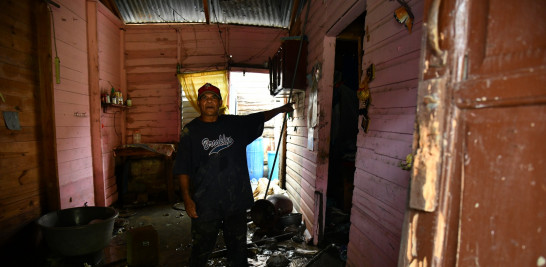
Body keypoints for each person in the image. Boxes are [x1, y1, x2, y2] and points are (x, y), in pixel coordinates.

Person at [173, 83, 294, 266]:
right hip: (205, 203)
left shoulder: (234, 125)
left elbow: (259, 117)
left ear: (220, 102)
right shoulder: (190, 132)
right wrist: (187, 199)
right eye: (205, 98)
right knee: (200, 251)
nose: (209, 101)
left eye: (213, 98)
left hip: (235, 202)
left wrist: (282, 109)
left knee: (238, 251)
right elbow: (183, 168)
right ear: (199, 103)